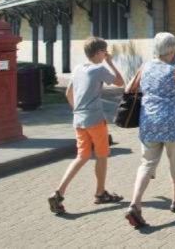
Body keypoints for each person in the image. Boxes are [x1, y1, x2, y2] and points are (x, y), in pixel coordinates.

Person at [125, 32, 175, 229]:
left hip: (148, 122)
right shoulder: (174, 69)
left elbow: (130, 88)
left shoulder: (145, 66)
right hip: (171, 124)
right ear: (171, 50)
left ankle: (135, 204)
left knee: (147, 163)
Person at [48, 36, 125, 215]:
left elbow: (68, 93)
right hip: (95, 120)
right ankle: (100, 193)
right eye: (104, 51)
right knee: (102, 155)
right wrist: (110, 63)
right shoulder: (98, 69)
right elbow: (120, 82)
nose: (105, 54)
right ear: (99, 53)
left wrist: (78, 110)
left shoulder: (78, 69)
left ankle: (59, 192)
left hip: (78, 120)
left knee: (82, 156)